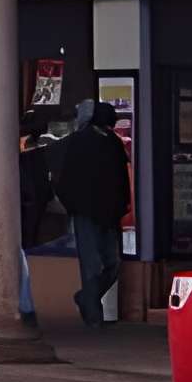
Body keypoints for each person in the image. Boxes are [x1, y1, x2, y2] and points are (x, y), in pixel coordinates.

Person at [54, 99, 131, 331]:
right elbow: (65, 178)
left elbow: (120, 179)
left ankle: (87, 298)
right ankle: (93, 315)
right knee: (94, 265)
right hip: (88, 212)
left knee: (112, 264)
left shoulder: (112, 143)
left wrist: (122, 204)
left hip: (107, 213)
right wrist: (74, 205)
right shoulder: (81, 142)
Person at [16, 108, 68, 329]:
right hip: (33, 214)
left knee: (22, 260)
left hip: (24, 214)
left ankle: (26, 307)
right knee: (26, 259)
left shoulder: (25, 160)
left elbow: (30, 190)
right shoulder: (40, 157)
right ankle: (27, 307)